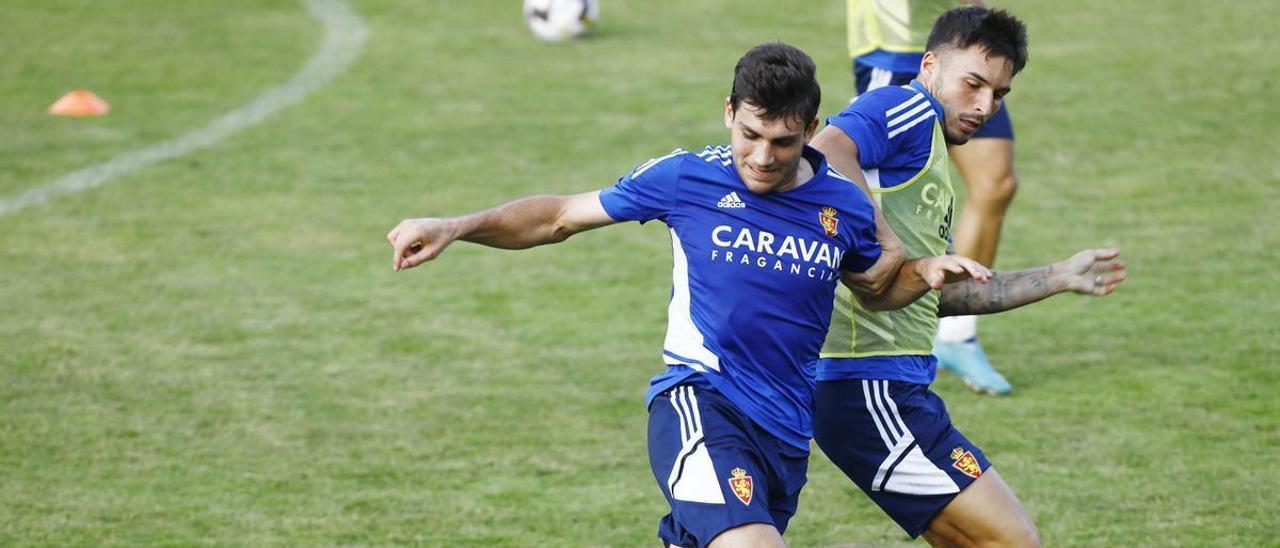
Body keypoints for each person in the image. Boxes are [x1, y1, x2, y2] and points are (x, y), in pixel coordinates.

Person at [386, 43, 989, 548]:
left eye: (781, 142)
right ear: (729, 111)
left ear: (810, 129)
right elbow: (559, 217)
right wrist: (456, 227)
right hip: (700, 404)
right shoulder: (687, 177)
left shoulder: (843, 207)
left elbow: (874, 291)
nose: (760, 156)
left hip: (783, 433)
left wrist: (925, 271)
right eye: (748, 134)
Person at [812, 8, 1126, 546]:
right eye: (973, 84)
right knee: (1012, 541)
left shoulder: (929, 155)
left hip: (897, 384)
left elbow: (936, 296)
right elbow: (826, 149)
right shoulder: (905, 105)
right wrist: (882, 236)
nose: (985, 106)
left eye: (999, 93)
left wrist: (1056, 276)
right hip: (864, 386)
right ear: (930, 64)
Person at [848, 0, 1021, 395]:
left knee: (996, 185)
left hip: (973, 42)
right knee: (879, 173)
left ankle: (956, 335)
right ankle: (865, 320)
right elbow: (831, 151)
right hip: (895, 40)